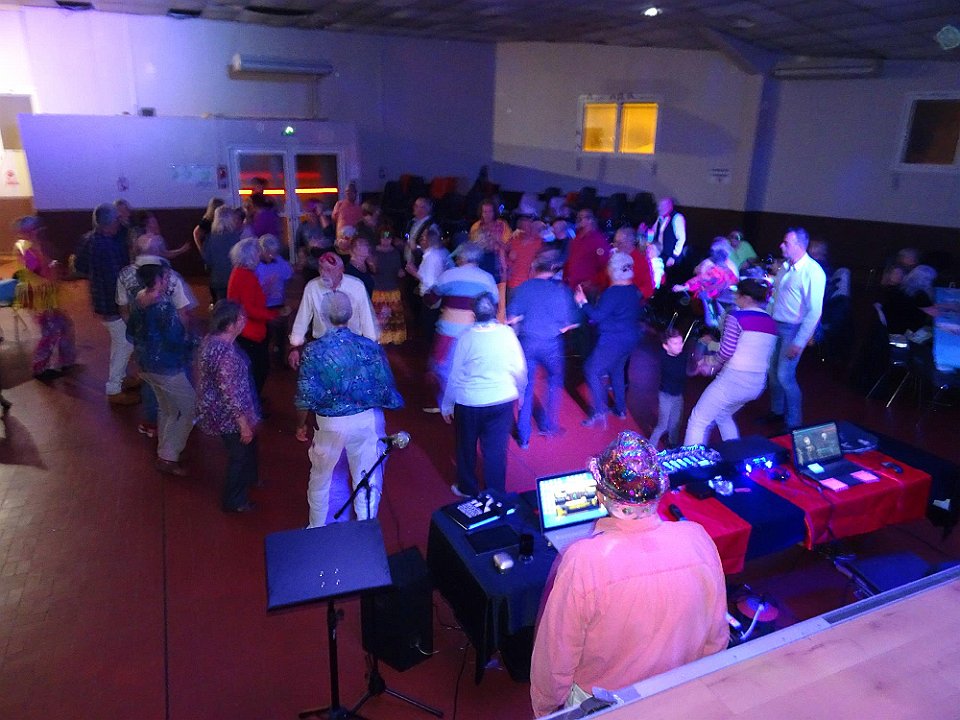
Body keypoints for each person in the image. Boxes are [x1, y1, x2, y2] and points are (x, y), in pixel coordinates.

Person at [530, 431, 727, 717]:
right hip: (678, 694)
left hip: (605, 705)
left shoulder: (583, 560)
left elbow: (556, 656)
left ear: (601, 496)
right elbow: (716, 638)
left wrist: (546, 709)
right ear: (659, 492)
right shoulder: (697, 538)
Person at [295, 291, 403, 527]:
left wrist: (301, 424)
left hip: (330, 424)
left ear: (323, 315)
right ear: (351, 314)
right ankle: (365, 526)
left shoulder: (314, 351)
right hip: (367, 420)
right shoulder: (369, 347)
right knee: (367, 476)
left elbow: (306, 394)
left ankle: (316, 527)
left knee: (321, 477)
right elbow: (386, 388)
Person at [442, 293, 526, 497]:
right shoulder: (507, 334)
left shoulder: (465, 337)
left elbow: (454, 374)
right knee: (496, 450)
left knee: (466, 447)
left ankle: (467, 488)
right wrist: (521, 392)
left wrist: (447, 403)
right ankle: (495, 492)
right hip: (502, 399)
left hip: (469, 402)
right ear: (496, 310)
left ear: (473, 313)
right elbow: (520, 369)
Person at [684, 278, 778, 445]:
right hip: (757, 384)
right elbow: (746, 347)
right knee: (723, 415)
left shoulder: (736, 316)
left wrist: (710, 362)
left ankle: (691, 460)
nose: (734, 298)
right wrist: (712, 345)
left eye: (737, 295)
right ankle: (735, 453)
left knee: (698, 420)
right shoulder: (770, 322)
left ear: (746, 298)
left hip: (735, 379)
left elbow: (727, 352)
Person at [126, 264, 196, 477]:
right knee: (190, 408)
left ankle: (164, 451)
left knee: (167, 409)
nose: (167, 281)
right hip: (166, 366)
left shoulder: (138, 299)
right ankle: (169, 456)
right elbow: (175, 338)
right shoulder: (164, 306)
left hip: (146, 365)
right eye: (164, 278)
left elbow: (131, 333)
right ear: (157, 280)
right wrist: (193, 343)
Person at [507, 249, 578, 448]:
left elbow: (511, 318)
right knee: (554, 382)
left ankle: (523, 437)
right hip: (551, 345)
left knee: (526, 387)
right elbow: (566, 325)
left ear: (535, 266)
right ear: (554, 269)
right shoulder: (561, 291)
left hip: (527, 343)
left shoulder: (524, 287)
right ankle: (549, 426)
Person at [195, 301, 262, 513]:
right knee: (239, 454)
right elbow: (230, 394)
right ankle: (234, 500)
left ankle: (250, 478)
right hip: (228, 414)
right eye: (240, 318)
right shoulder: (225, 354)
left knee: (248, 448)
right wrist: (243, 425)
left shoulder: (212, 340)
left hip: (223, 407)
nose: (244, 320)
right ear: (230, 325)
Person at [74, 203, 139, 405]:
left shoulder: (88, 239)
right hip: (111, 303)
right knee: (125, 343)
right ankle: (114, 389)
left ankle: (121, 379)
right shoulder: (107, 246)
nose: (119, 224)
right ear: (109, 224)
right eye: (117, 220)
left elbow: (79, 266)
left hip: (100, 299)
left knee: (120, 342)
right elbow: (116, 280)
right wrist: (125, 304)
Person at [763, 228, 826, 430]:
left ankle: (793, 422)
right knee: (772, 372)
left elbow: (814, 311)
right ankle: (777, 411)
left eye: (786, 243)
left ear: (799, 245)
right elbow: (776, 297)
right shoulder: (786, 267)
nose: (781, 246)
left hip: (793, 329)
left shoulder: (813, 272)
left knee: (785, 376)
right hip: (776, 324)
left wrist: (800, 341)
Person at [424, 242, 498, 409]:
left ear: (462, 257)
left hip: (448, 332)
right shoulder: (488, 278)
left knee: (443, 368)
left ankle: (448, 404)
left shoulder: (448, 275)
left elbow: (430, 299)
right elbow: (494, 305)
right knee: (472, 369)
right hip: (476, 334)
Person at [575, 252, 643, 427]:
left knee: (591, 369)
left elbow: (597, 316)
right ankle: (620, 409)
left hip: (614, 340)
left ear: (613, 270)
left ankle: (599, 411)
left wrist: (582, 302)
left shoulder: (613, 292)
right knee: (617, 371)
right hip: (630, 338)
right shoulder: (634, 290)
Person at [288, 252, 379, 370]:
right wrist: (294, 347)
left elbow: (367, 318)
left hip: (352, 347)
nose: (323, 273)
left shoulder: (357, 286)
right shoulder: (312, 287)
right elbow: (302, 318)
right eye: (321, 268)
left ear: (341, 270)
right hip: (322, 348)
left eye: (329, 270)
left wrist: (372, 347)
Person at [13, 216, 77, 381]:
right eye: (35, 229)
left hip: (47, 296)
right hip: (40, 299)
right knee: (50, 332)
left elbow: (46, 268)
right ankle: (40, 369)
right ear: (28, 231)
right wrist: (52, 268)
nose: (39, 232)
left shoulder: (34, 246)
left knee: (63, 326)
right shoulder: (24, 247)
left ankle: (66, 361)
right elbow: (36, 271)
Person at [227, 238, 278, 398]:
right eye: (257, 253)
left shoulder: (239, 272)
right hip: (249, 332)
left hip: (244, 329)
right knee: (259, 369)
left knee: (255, 368)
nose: (259, 255)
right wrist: (273, 315)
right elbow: (249, 309)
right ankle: (253, 403)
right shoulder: (246, 276)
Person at [255, 234, 294, 366]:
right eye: (269, 253)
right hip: (262, 304)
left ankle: (280, 359)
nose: (272, 256)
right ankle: (264, 359)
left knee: (281, 333)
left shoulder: (280, 261)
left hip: (278, 303)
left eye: (274, 253)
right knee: (265, 334)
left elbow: (289, 275)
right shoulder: (255, 265)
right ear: (262, 251)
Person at [648, 327, 688, 450]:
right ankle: (650, 449)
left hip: (678, 395)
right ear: (666, 346)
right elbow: (679, 373)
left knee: (675, 424)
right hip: (666, 395)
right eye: (675, 343)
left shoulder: (683, 355)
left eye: (681, 342)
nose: (680, 346)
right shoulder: (663, 358)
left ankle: (672, 444)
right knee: (662, 425)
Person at [563, 207, 609, 301]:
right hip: (573, 287)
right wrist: (566, 277)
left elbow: (605, 265)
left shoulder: (598, 240)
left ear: (591, 220)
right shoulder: (576, 239)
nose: (579, 220)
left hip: (589, 289)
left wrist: (593, 281)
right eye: (579, 217)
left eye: (583, 217)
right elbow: (571, 260)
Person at [371, 229, 407, 345]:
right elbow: (372, 270)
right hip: (378, 289)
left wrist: (401, 273)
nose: (386, 241)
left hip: (392, 289)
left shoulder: (395, 252)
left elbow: (398, 270)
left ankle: (395, 337)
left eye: (388, 238)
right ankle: (381, 337)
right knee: (379, 316)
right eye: (383, 238)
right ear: (380, 238)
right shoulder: (373, 252)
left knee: (394, 316)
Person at [202, 205, 242, 304]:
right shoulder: (236, 237)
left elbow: (207, 260)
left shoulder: (210, 238)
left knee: (222, 306)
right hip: (234, 277)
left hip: (218, 278)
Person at [648, 196, 687, 283]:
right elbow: (652, 232)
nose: (659, 208)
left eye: (662, 206)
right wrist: (648, 241)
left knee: (669, 279)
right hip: (661, 253)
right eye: (659, 206)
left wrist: (673, 256)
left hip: (671, 256)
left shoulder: (677, 218)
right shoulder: (660, 218)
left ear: (670, 206)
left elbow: (681, 239)